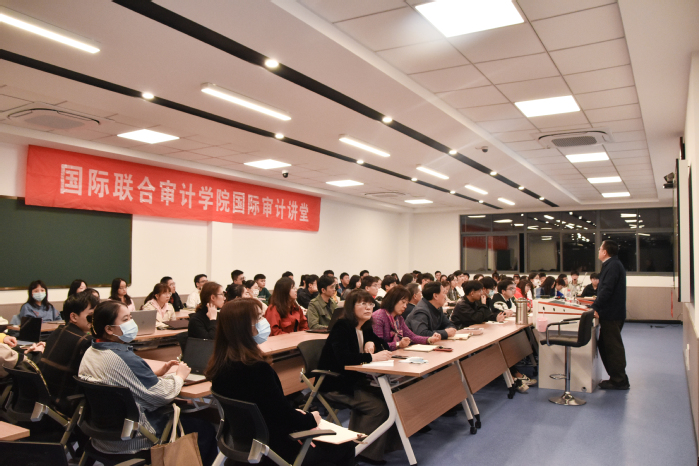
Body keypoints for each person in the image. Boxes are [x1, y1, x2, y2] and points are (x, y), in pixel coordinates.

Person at [208, 298, 353, 466]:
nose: (264, 322)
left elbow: (271, 410)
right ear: (244, 327)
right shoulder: (257, 369)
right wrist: (311, 419)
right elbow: (282, 417)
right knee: (347, 446)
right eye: (259, 318)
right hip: (275, 449)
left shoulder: (219, 367)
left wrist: (295, 415)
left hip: (245, 445)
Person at [79, 301, 217, 464]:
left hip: (102, 436)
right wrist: (179, 376)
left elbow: (119, 379)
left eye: (131, 317)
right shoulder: (124, 359)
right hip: (135, 438)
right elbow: (162, 395)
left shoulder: (91, 352)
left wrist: (152, 374)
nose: (131, 322)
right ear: (109, 329)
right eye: (125, 319)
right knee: (205, 428)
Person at [317, 289, 401, 463]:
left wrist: (371, 342)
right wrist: (371, 357)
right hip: (335, 383)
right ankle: (364, 451)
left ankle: (381, 445)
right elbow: (343, 358)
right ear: (351, 307)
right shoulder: (342, 327)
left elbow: (384, 345)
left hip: (354, 381)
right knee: (378, 407)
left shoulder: (365, 327)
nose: (368, 307)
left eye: (370, 304)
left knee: (392, 399)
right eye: (363, 304)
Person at [38, 291, 96, 414]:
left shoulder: (57, 332)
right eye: (91, 315)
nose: (95, 319)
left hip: (46, 401)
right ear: (74, 317)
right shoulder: (85, 341)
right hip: (66, 406)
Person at [592, 240, 630, 390]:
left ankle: (619, 380)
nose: (598, 251)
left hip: (612, 315)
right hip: (610, 313)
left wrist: (595, 306)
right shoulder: (611, 264)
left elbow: (607, 289)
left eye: (600, 248)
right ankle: (616, 377)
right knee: (604, 345)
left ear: (605, 252)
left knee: (613, 348)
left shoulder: (613, 265)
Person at [373, 286, 441, 350]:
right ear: (393, 300)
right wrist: (398, 344)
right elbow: (378, 345)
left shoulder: (398, 318)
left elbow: (412, 336)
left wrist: (429, 339)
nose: (405, 306)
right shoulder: (379, 317)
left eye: (406, 303)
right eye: (403, 302)